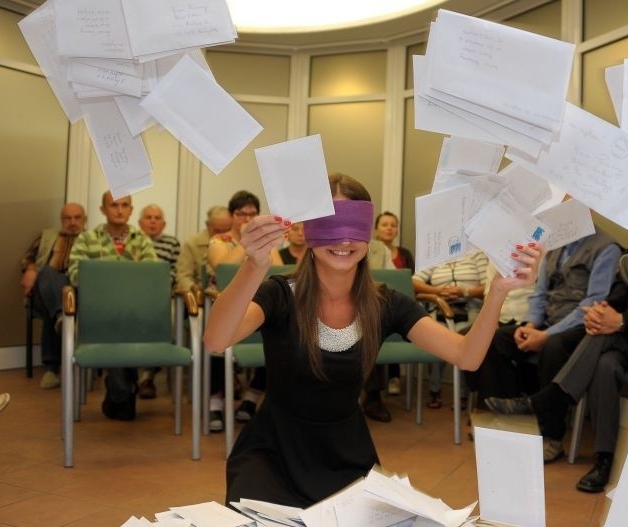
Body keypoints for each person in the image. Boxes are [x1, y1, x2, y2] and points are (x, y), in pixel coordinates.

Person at [204, 173, 541, 507]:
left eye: (354, 225)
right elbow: (216, 341)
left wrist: (497, 292)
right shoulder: (280, 294)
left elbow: (466, 356)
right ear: (307, 231)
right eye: (331, 223)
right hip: (272, 454)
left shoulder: (385, 303)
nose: (344, 240)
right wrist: (254, 265)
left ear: (368, 234)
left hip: (346, 456)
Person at [487, 176, 628, 493]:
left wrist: (620, 322)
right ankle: (604, 461)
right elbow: (615, 297)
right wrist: (601, 315)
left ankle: (547, 401)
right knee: (605, 361)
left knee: (601, 337)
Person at [478, 226, 621, 462]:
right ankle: (510, 423)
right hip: (547, 324)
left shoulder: (606, 248)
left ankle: (552, 438)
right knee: (496, 339)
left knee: (554, 347)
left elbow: (593, 303)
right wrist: (531, 325)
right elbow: (540, 293)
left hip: (580, 329)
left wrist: (546, 335)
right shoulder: (555, 246)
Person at [69, 191, 158, 420]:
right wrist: (118, 283)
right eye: (114, 205)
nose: (119, 210)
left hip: (133, 313)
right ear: (102, 209)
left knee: (127, 323)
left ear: (131, 209)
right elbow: (75, 274)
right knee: (114, 325)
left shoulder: (142, 240)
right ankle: (124, 389)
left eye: (125, 205)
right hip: (99, 313)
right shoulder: (87, 238)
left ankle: (119, 391)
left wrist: (107, 278)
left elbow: (151, 277)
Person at [206, 191, 261, 432]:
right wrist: (246, 241)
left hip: (256, 308)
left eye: (252, 213)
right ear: (232, 215)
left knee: (281, 331)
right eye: (241, 214)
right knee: (219, 338)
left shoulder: (265, 241)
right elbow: (223, 269)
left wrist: (263, 244)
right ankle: (215, 403)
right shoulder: (219, 241)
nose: (247, 218)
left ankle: (251, 398)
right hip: (225, 308)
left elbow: (280, 271)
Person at [21, 203, 87, 389]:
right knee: (49, 273)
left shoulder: (92, 239)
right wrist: (31, 269)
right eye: (68, 218)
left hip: (78, 292)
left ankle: (51, 369)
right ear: (61, 220)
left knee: (61, 304)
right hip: (45, 289)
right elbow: (28, 258)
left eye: (77, 217)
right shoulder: (47, 237)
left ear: (85, 220)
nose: (73, 222)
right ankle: (62, 316)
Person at [412, 252, 489, 408]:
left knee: (465, 340)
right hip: (440, 308)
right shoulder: (434, 255)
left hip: (470, 309)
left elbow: (488, 285)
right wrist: (438, 292)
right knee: (434, 338)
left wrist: (464, 292)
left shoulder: (476, 255)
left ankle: (463, 394)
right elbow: (414, 282)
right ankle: (435, 390)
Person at [137, 204, 181, 399]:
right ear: (139, 223)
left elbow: (175, 271)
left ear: (163, 224)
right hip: (133, 296)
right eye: (148, 217)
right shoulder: (133, 241)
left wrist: (158, 285)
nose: (153, 221)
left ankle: (148, 375)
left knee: (168, 318)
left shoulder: (172, 243)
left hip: (162, 296)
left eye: (157, 218)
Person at [374, 211, 414, 396]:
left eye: (393, 225)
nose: (389, 228)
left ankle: (393, 377)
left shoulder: (404, 254)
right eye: (384, 224)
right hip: (376, 301)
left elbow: (413, 279)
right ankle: (374, 389)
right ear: (375, 230)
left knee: (399, 319)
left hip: (399, 302)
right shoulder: (369, 251)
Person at [175, 205, 233, 294]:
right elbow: (183, 275)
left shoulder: (237, 243)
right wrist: (193, 287)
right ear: (208, 225)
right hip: (201, 295)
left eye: (226, 231)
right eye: (217, 231)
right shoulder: (192, 243)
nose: (222, 235)